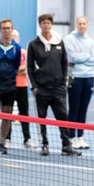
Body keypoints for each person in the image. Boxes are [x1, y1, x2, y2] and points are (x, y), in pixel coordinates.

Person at [26, 13, 80, 157]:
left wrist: (63, 83)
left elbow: (64, 64)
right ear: (40, 25)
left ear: (51, 25)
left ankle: (66, 145)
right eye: (43, 23)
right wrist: (34, 87)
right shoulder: (33, 44)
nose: (46, 25)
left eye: (48, 23)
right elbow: (29, 67)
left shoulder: (59, 42)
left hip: (58, 89)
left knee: (63, 118)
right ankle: (44, 144)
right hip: (41, 89)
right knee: (41, 119)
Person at [64, 16, 94, 149]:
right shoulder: (69, 39)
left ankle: (80, 136)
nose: (82, 26)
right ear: (76, 24)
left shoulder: (91, 41)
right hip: (75, 77)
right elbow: (72, 57)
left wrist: (81, 56)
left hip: (89, 77)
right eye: (80, 23)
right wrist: (86, 56)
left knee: (83, 109)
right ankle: (71, 136)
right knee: (74, 108)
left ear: (87, 25)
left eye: (84, 23)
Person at [0, 19, 21, 155]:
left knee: (7, 115)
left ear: (12, 29)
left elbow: (16, 65)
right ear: (0, 30)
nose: (6, 30)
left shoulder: (17, 48)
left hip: (10, 86)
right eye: (3, 28)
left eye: (8, 28)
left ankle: (2, 142)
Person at [4, 29, 32, 149]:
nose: (14, 38)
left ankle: (27, 139)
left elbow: (26, 68)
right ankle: (7, 138)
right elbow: (6, 68)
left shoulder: (24, 52)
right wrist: (15, 70)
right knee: (8, 113)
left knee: (24, 113)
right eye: (12, 36)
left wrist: (14, 70)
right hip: (9, 86)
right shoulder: (6, 52)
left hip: (22, 86)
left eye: (16, 36)